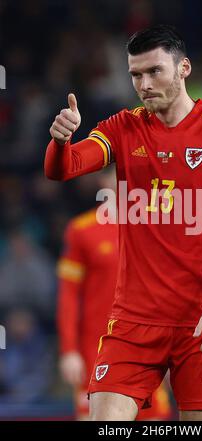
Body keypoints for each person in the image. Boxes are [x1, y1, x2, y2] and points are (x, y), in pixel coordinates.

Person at [45, 24, 202, 421]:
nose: (143, 84)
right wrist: (61, 142)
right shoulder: (123, 127)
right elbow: (65, 168)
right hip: (132, 322)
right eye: (135, 75)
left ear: (184, 69)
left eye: (154, 71)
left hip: (201, 321)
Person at [57, 168, 172, 420]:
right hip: (96, 350)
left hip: (146, 348)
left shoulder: (155, 229)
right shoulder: (82, 230)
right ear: (104, 181)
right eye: (119, 176)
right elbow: (68, 296)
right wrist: (68, 350)